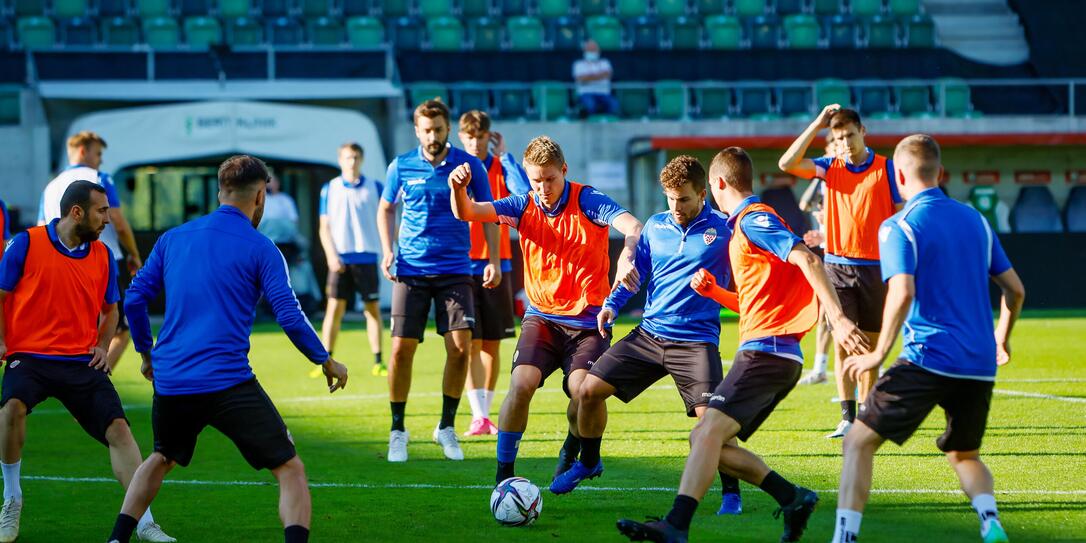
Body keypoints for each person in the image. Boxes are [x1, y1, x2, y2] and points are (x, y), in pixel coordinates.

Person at [616, 147, 869, 543]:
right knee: (704, 436)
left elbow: (809, 259)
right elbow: (754, 300)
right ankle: (791, 498)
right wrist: (717, 292)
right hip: (767, 351)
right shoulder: (746, 224)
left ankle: (676, 526)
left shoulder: (754, 220)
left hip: (767, 352)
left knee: (706, 434)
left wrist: (837, 319)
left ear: (716, 184)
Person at [106, 156, 347, 543]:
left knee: (161, 457)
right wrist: (325, 359)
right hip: (228, 383)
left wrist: (146, 353)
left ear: (221, 192)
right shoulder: (262, 248)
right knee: (290, 469)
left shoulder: (174, 238)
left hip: (173, 382)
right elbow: (288, 314)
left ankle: (117, 538)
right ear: (260, 196)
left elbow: (133, 299)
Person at [832, 135, 1025, 543]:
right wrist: (1001, 339)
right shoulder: (977, 221)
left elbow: (902, 293)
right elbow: (1016, 290)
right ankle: (991, 522)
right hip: (978, 364)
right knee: (964, 454)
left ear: (898, 175)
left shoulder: (899, 225)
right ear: (941, 173)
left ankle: (844, 537)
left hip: (927, 358)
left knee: (858, 441)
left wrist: (876, 355)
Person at [552, 155, 747, 515]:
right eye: (670, 198)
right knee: (588, 391)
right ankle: (590, 461)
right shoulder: (655, 227)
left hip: (696, 341)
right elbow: (634, 275)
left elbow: (751, 270)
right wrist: (611, 304)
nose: (676, 207)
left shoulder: (725, 229)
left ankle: (731, 492)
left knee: (711, 420)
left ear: (702, 194)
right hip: (649, 335)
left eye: (684, 199)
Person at [448, 135, 642, 486]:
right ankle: (503, 475)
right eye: (536, 180)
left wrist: (627, 254)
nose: (543, 188)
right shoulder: (522, 205)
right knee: (522, 384)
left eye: (550, 179)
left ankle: (577, 450)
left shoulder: (588, 200)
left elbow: (633, 226)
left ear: (564, 170)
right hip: (543, 318)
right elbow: (468, 212)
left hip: (588, 322)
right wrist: (458, 188)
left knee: (584, 391)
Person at [0, 181, 173, 543]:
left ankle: (144, 523)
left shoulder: (102, 257)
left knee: (120, 431)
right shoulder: (26, 243)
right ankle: (12, 496)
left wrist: (102, 344)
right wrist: (2, 339)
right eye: (101, 211)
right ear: (76, 212)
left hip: (80, 361)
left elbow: (111, 310)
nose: (108, 219)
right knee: (11, 407)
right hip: (29, 357)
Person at [377, 99, 498, 462]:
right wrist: (387, 249)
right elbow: (386, 208)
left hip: (456, 269)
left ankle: (446, 427)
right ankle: (397, 430)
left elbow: (489, 212)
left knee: (461, 348)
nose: (433, 136)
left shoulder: (469, 164)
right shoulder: (401, 165)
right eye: (427, 130)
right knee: (400, 350)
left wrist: (491, 258)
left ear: (448, 129)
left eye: (439, 129)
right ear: (417, 130)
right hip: (410, 269)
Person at [778, 106, 903, 439]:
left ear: (863, 131)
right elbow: (786, 164)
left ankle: (866, 415)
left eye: (849, 135)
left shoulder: (886, 169)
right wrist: (817, 124)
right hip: (838, 267)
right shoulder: (828, 167)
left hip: (877, 269)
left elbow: (901, 217)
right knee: (844, 344)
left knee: (871, 348)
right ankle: (847, 416)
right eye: (838, 137)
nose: (845, 142)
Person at [39, 131, 143, 371]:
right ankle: (96, 380)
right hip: (100, 263)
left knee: (79, 331)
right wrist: (134, 253)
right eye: (98, 153)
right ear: (83, 150)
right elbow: (117, 219)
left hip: (59, 265)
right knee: (119, 329)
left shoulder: (50, 186)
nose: (100, 160)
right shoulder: (98, 177)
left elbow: (42, 228)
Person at [456, 111, 531, 436]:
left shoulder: (501, 166)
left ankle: (485, 413)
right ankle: (478, 415)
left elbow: (526, 193)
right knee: (469, 342)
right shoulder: (455, 168)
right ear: (461, 137)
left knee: (492, 343)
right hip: (460, 263)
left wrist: (506, 156)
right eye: (469, 136)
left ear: (490, 136)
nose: (475, 142)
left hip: (498, 260)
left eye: (481, 136)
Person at [319, 143, 387, 377]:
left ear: (362, 159)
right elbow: (324, 227)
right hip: (340, 260)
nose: (352, 161)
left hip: (367, 258)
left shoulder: (375, 187)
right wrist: (331, 256)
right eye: (348, 157)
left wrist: (393, 249)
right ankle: (325, 359)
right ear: (340, 160)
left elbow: (388, 223)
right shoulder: (330, 189)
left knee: (372, 310)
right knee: (333, 310)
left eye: (356, 157)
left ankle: (378, 361)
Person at [796, 134, 842, 386]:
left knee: (842, 315)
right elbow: (804, 203)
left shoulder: (846, 179)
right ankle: (821, 368)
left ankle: (861, 377)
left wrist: (826, 231)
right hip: (829, 252)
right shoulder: (824, 178)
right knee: (826, 312)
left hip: (848, 256)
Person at [573, 39, 619, 118]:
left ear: (598, 50)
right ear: (585, 50)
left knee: (614, 105)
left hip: (604, 93)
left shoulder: (605, 62)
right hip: (586, 93)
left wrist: (589, 77)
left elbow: (608, 74)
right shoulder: (578, 64)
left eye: (594, 49)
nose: (592, 51)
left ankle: (607, 124)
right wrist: (600, 75)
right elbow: (580, 79)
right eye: (590, 49)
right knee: (590, 105)